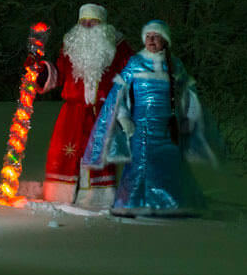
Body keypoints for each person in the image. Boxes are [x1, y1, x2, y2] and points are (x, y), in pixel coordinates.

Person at [82, 19, 220, 217]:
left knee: (170, 166)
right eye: (148, 36)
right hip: (141, 128)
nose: (151, 40)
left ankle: (171, 205)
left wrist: (189, 118)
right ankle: (133, 204)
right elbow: (118, 93)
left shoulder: (175, 64)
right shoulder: (135, 62)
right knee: (140, 165)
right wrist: (124, 118)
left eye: (156, 36)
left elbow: (188, 93)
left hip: (169, 128)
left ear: (165, 40)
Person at [36, 3, 135, 208]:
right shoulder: (70, 47)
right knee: (63, 154)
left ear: (103, 24)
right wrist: (43, 73)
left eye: (93, 21)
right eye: (84, 21)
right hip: (71, 113)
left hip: (102, 113)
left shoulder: (118, 48)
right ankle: (61, 196)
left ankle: (96, 198)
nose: (88, 25)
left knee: (98, 156)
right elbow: (60, 73)